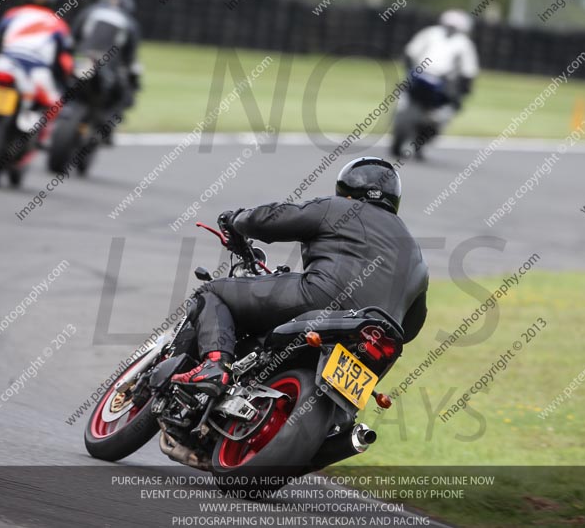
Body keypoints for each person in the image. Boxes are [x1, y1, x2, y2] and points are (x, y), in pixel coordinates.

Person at [171, 157, 430, 395]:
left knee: (212, 292)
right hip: (378, 336)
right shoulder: (417, 255)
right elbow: (411, 328)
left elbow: (271, 219)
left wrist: (236, 219)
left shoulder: (339, 208)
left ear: (346, 190)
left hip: (321, 298)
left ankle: (215, 365)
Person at [393, 9, 479, 158]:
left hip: (443, 84)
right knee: (403, 97)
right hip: (420, 77)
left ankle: (425, 134)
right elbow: (410, 54)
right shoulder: (431, 34)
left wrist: (462, 91)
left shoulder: (463, 44)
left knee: (448, 109)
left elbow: (468, 72)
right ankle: (405, 130)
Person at [0, 0, 74, 108]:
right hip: (37, 71)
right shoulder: (58, 23)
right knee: (55, 105)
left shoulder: (13, 14)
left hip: (5, 62)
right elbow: (64, 60)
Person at [72, 0, 141, 142]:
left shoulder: (89, 12)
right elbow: (130, 56)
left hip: (82, 61)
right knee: (126, 93)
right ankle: (106, 127)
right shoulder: (129, 22)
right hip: (106, 68)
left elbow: (74, 36)